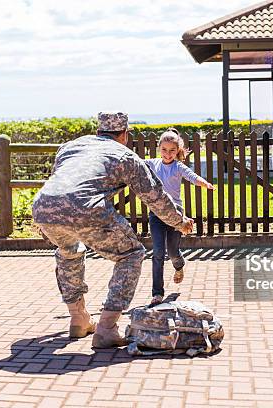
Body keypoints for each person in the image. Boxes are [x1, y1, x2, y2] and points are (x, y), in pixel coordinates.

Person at [32, 112, 194, 348]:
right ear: (125, 135)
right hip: (86, 207)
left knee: (69, 250)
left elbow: (61, 180)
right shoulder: (126, 156)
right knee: (131, 254)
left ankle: (79, 320)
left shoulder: (70, 146)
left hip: (44, 206)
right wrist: (179, 222)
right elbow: (155, 197)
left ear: (98, 131)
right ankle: (106, 328)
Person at [144, 128, 215, 306]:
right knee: (158, 253)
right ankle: (157, 293)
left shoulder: (178, 167)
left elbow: (192, 177)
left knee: (172, 251)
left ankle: (179, 265)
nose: (168, 154)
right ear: (159, 148)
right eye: (164, 150)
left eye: (172, 150)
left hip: (176, 216)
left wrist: (204, 183)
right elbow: (134, 165)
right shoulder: (152, 164)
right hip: (157, 214)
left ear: (178, 151)